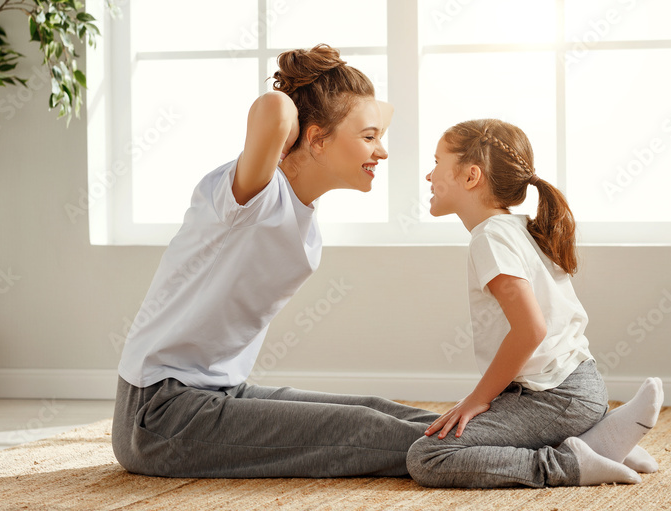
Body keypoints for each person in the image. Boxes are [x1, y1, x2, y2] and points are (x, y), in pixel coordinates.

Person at [112, 44, 439, 478]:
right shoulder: (252, 196)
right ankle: (530, 451)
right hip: (160, 415)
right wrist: (309, 94)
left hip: (220, 393)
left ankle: (501, 427)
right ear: (317, 138)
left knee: (374, 409)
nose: (381, 151)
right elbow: (274, 106)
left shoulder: (298, 203)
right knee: (365, 430)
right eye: (369, 137)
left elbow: (377, 112)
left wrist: (343, 99)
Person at [405, 119, 664, 488]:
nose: (429, 176)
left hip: (558, 398)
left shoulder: (490, 238)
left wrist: (476, 399)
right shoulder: (519, 227)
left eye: (436, 162)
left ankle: (568, 463)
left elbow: (531, 329)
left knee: (428, 456)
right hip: (578, 388)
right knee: (447, 428)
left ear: (470, 176)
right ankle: (602, 442)